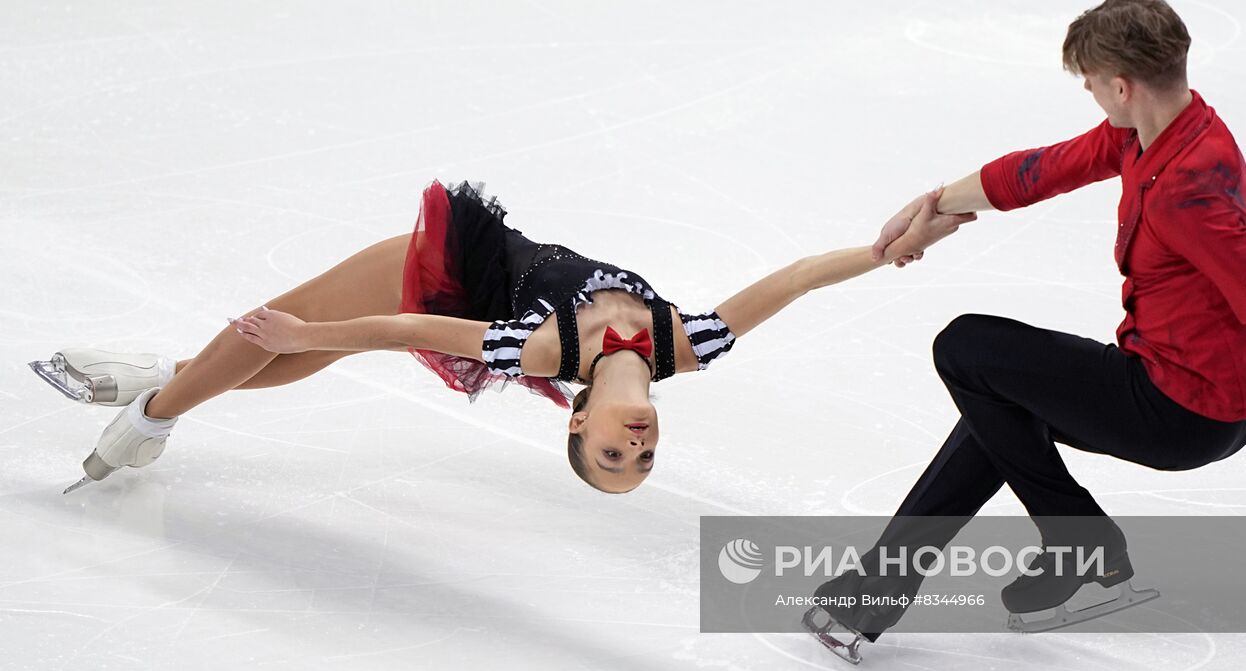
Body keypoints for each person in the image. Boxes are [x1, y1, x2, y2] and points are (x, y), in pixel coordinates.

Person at [804, 0, 1246, 664]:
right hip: (1201, 386)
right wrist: (933, 208)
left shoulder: (1188, 189)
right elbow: (1040, 171)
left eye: (1090, 83)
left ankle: (1078, 536)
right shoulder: (1165, 130)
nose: (1088, 93)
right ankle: (873, 593)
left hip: (1182, 410)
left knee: (966, 347)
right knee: (997, 406)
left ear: (1121, 86)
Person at [33, 180, 974, 495]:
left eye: (611, 456)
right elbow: (801, 279)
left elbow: (399, 327)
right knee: (281, 359)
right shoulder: (690, 347)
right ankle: (164, 388)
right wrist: (893, 246)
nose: (635, 448)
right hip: (466, 279)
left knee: (287, 338)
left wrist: (306, 327)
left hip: (441, 273)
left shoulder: (544, 353)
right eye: (638, 462)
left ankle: (150, 415)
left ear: (575, 429)